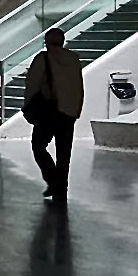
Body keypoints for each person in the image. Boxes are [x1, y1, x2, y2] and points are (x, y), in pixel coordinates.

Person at [23, 28, 84, 204]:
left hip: (49, 112)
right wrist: (76, 109)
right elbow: (78, 86)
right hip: (69, 112)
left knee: (38, 146)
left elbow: (32, 84)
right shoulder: (73, 59)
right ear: (63, 41)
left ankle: (53, 179)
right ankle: (61, 188)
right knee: (64, 153)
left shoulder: (42, 59)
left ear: (46, 42)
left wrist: (27, 107)